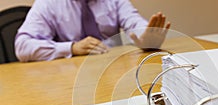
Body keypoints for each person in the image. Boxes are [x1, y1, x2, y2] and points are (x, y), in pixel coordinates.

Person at [15, 0, 171, 62]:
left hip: (111, 71)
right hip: (69, 80)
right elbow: (23, 46)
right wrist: (72, 48)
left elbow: (134, 21)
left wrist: (146, 37)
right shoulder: (48, 4)